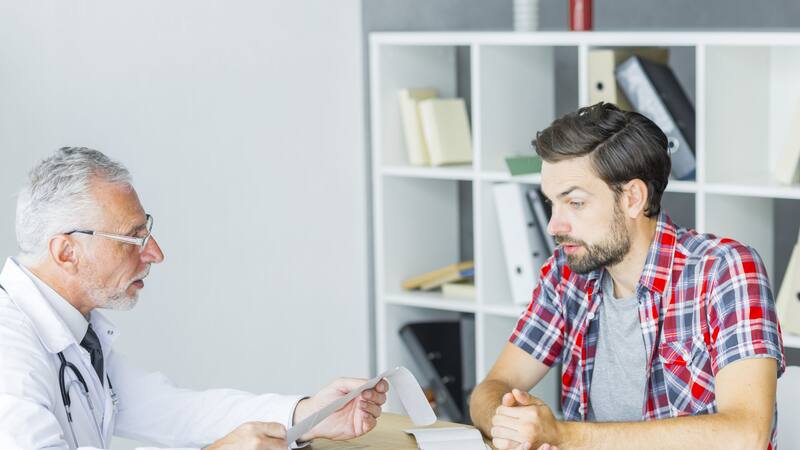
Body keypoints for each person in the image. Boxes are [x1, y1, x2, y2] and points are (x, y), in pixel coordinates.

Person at [0, 147, 388, 450]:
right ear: (67, 252)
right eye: (133, 238)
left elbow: (171, 409)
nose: (155, 253)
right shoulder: (10, 348)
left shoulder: (77, 331)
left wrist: (307, 415)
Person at [470, 103, 786, 450]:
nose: (554, 226)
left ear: (633, 198)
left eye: (574, 203)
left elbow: (745, 434)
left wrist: (562, 435)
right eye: (551, 204)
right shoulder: (567, 272)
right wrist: (512, 422)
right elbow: (491, 388)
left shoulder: (725, 270)